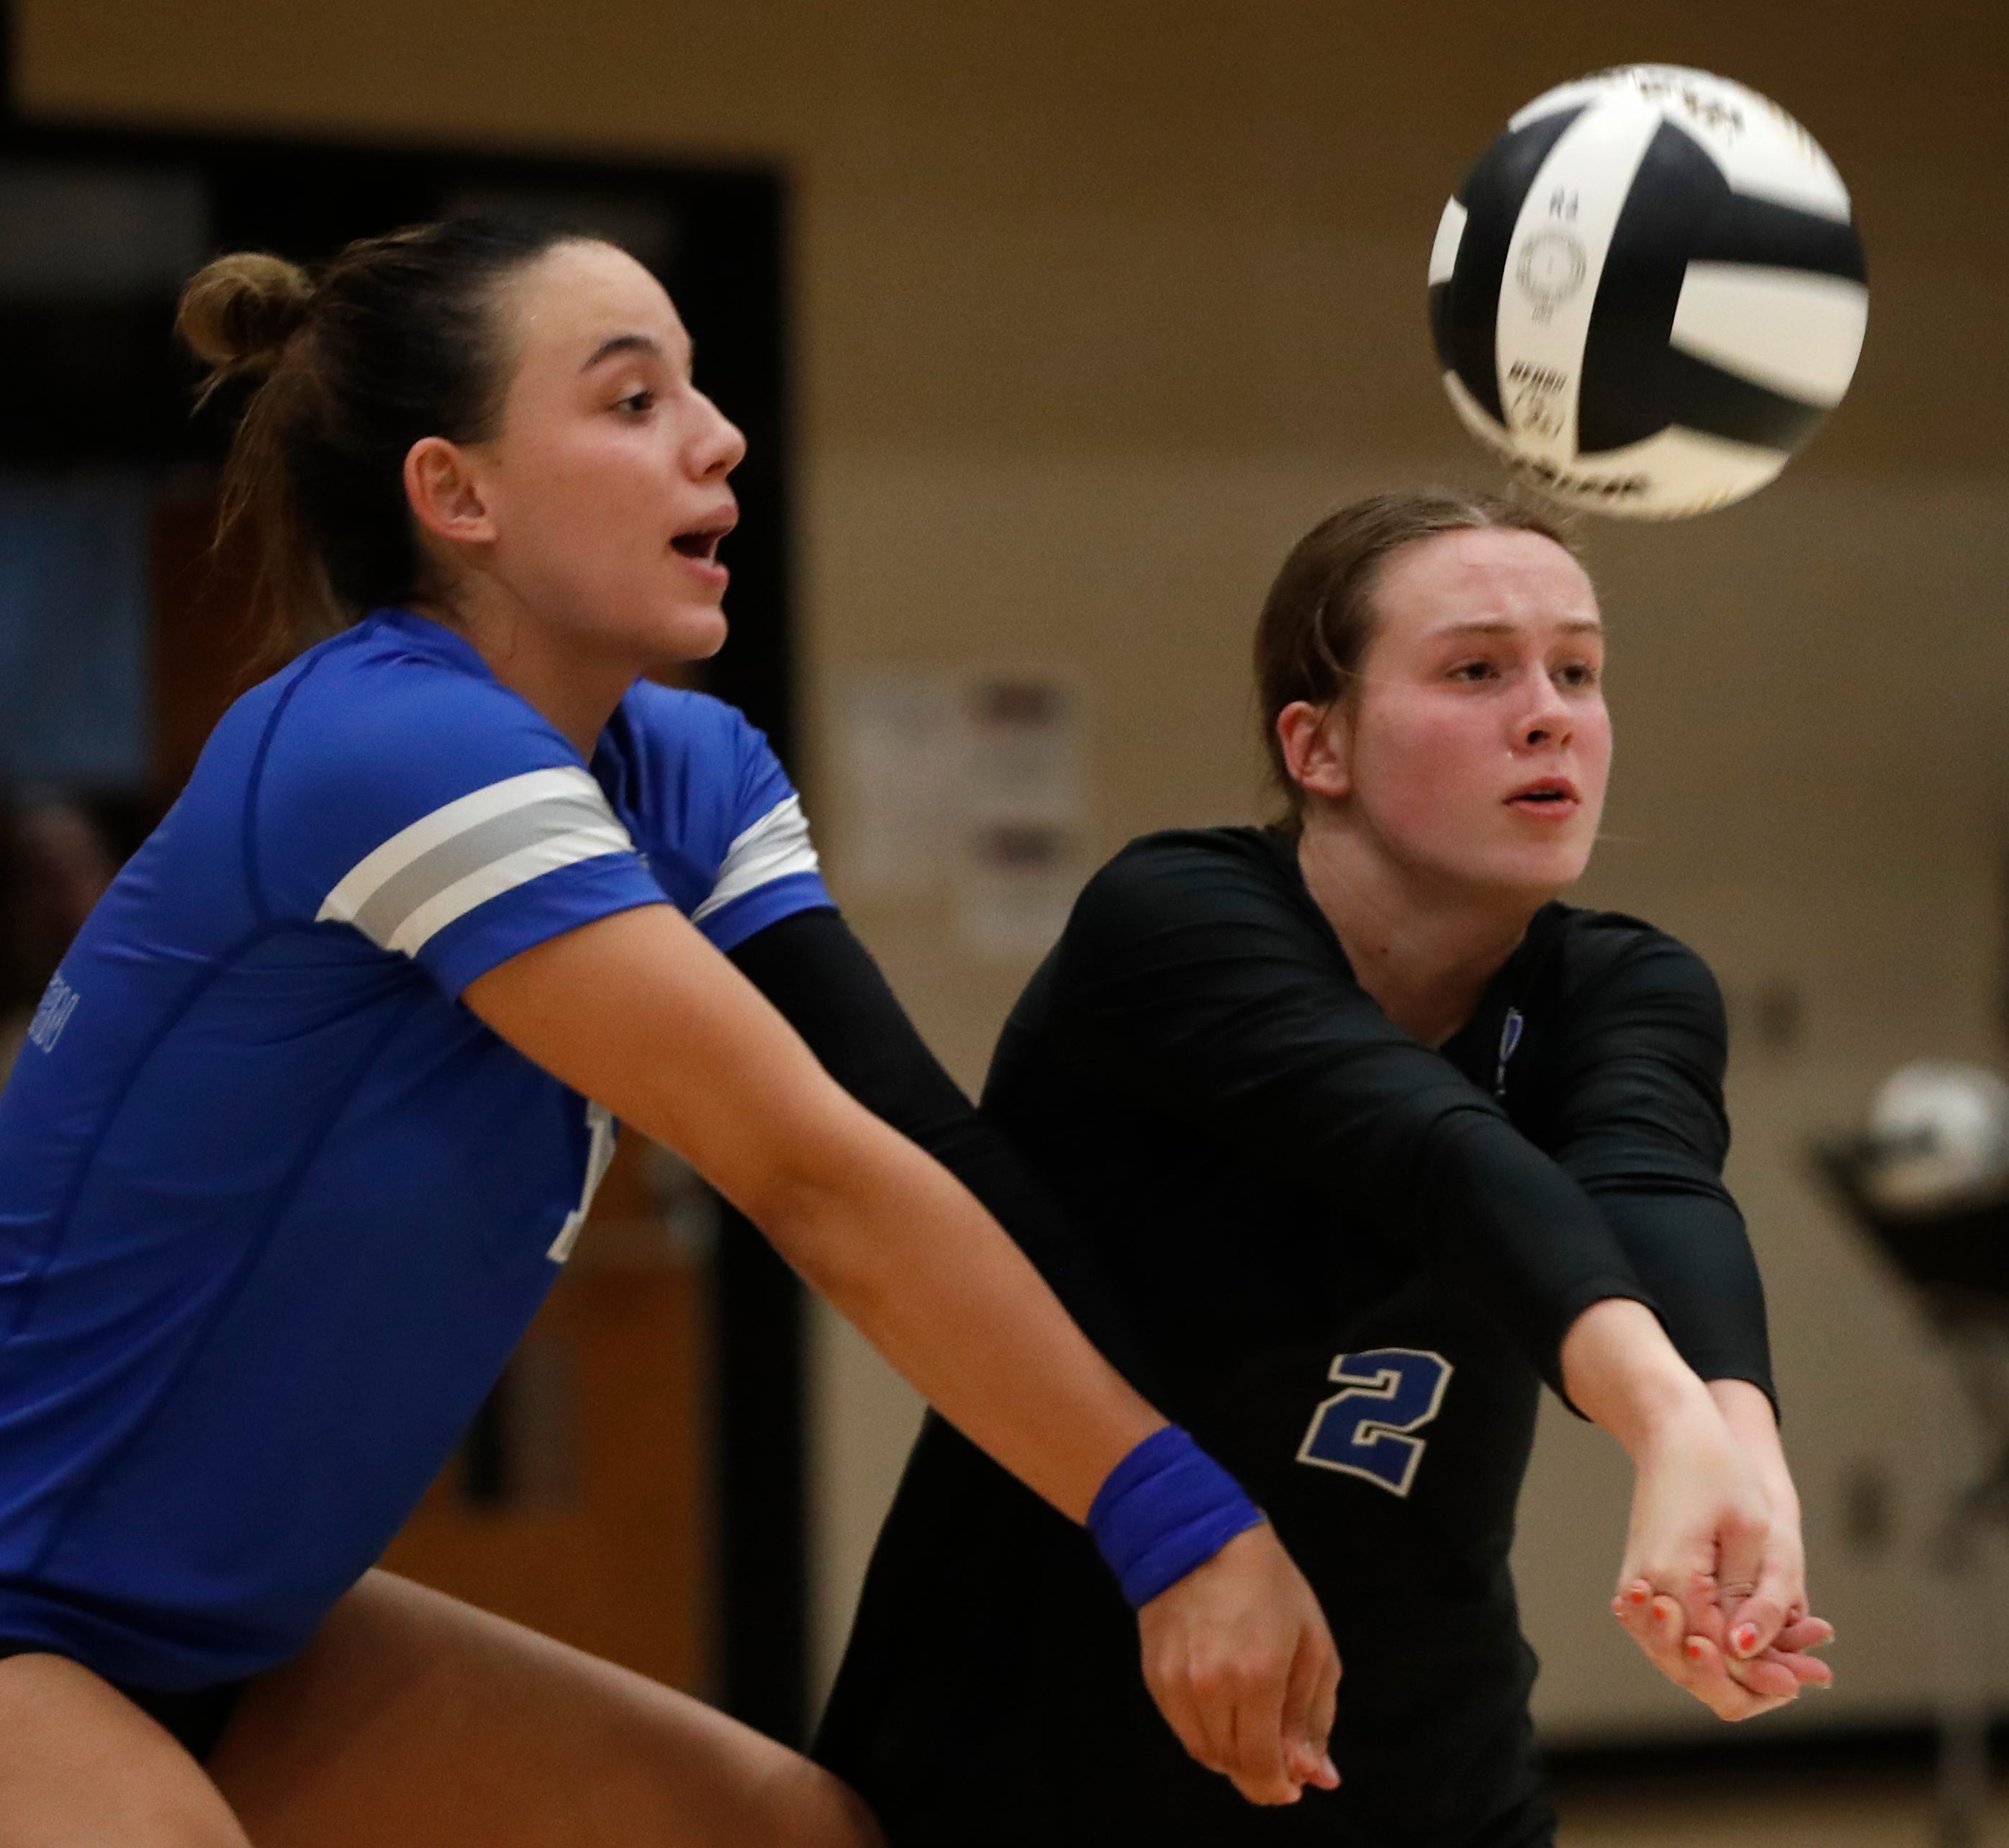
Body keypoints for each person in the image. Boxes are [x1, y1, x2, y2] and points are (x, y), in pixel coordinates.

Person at [0, 220, 1350, 1848]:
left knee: (794, 1838)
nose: (718, 440)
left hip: (231, 1640)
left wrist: (1230, 1459)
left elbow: (906, 1143)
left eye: (698, 391)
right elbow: (802, 1175)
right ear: (457, 494)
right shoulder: (386, 740)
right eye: (633, 402)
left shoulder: (688, 774)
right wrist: (1180, 1527)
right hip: (23, 1614)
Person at [815, 491, 1836, 1847]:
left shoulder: (1627, 985)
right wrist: (1661, 1421)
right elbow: (1428, 1147)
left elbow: (1651, 1190)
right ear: (1318, 745)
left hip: (1419, 1758)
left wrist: (1739, 1462)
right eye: (1476, 670)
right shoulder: (1175, 917)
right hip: (1038, 1742)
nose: (1549, 715)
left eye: (1576, 671)